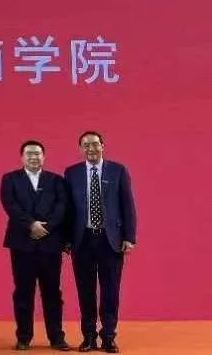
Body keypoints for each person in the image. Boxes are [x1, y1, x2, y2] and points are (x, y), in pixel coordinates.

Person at [65, 131, 137, 353]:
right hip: (82, 240)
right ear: (80, 149)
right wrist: (66, 239)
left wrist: (129, 237)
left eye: (95, 144)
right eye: (86, 145)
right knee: (85, 291)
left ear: (103, 146)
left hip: (110, 240)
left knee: (110, 290)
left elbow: (127, 205)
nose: (91, 149)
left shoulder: (118, 170)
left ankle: (108, 336)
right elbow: (67, 209)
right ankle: (88, 337)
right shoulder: (72, 173)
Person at [0, 140, 70, 351]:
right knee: (23, 292)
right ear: (22, 157)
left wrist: (47, 227)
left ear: (44, 156)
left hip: (50, 243)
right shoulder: (10, 179)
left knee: (53, 293)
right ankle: (23, 337)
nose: (34, 157)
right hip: (22, 244)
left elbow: (62, 206)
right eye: (29, 154)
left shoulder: (56, 180)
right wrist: (31, 224)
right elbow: (10, 205)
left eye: (38, 153)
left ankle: (56, 338)